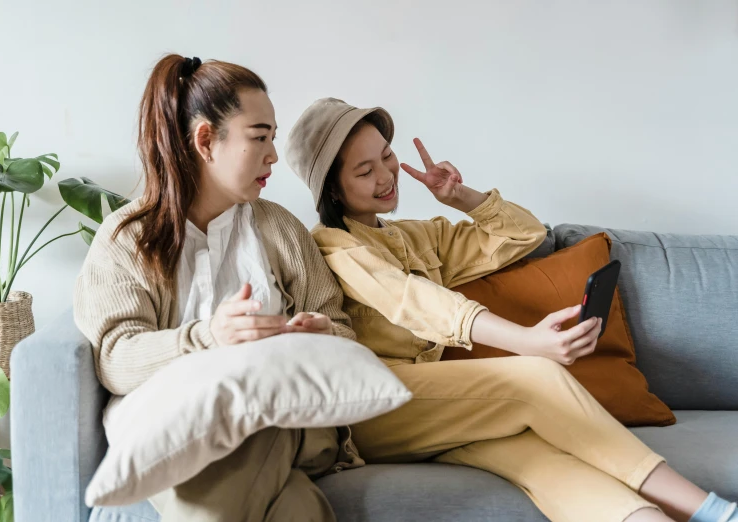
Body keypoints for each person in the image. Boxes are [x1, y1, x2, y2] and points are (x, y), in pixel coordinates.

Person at [285, 97, 737, 522]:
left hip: (440, 409)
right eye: (365, 171)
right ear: (334, 191)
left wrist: (459, 196)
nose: (386, 175)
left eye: (386, 155)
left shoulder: (417, 235)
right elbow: (417, 301)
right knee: (534, 378)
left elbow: (526, 236)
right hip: (379, 406)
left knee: (544, 461)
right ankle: (711, 510)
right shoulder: (333, 245)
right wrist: (527, 343)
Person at [74, 58, 363, 522]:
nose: (273, 155)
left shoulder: (282, 231)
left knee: (261, 409)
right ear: (206, 140)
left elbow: (346, 338)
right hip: (175, 429)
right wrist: (209, 337)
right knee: (298, 506)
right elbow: (114, 358)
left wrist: (322, 337)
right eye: (259, 136)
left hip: (284, 419)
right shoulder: (127, 239)